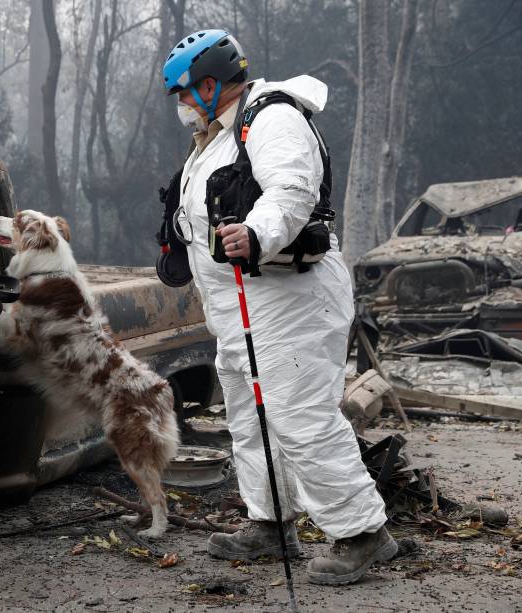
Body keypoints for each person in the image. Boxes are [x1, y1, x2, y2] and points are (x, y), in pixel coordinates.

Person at [160, 29, 396, 586]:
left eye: (184, 93)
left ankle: (364, 533)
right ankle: (272, 522)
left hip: (289, 300)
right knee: (249, 416)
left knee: (299, 416)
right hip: (238, 306)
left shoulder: (271, 117)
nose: (181, 106)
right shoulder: (212, 139)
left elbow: (291, 190)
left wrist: (256, 233)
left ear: (212, 84)